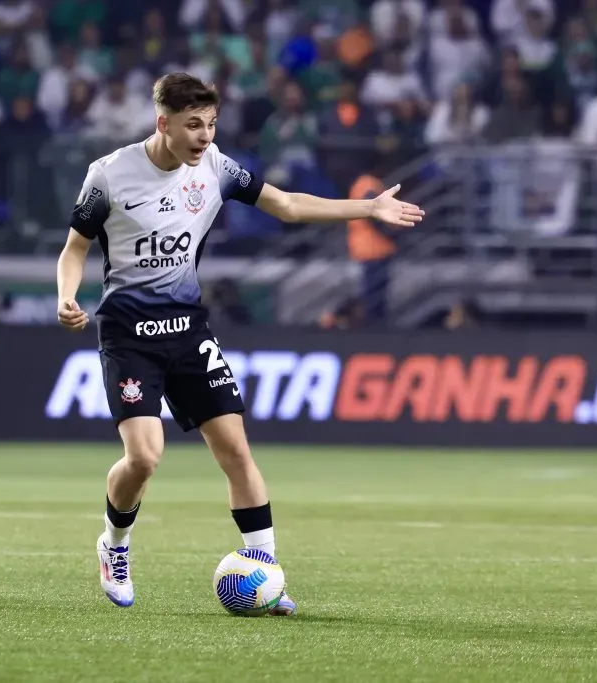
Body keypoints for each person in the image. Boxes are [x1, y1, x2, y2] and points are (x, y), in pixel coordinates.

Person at [55, 72, 423, 612]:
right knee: (145, 457)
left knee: (236, 450)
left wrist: (365, 209)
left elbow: (289, 205)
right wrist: (67, 296)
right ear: (164, 123)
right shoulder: (109, 175)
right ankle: (114, 544)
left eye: (211, 124)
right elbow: (74, 248)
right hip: (128, 333)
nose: (205, 136)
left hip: (187, 328)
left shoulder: (216, 167)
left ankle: (268, 576)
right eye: (193, 125)